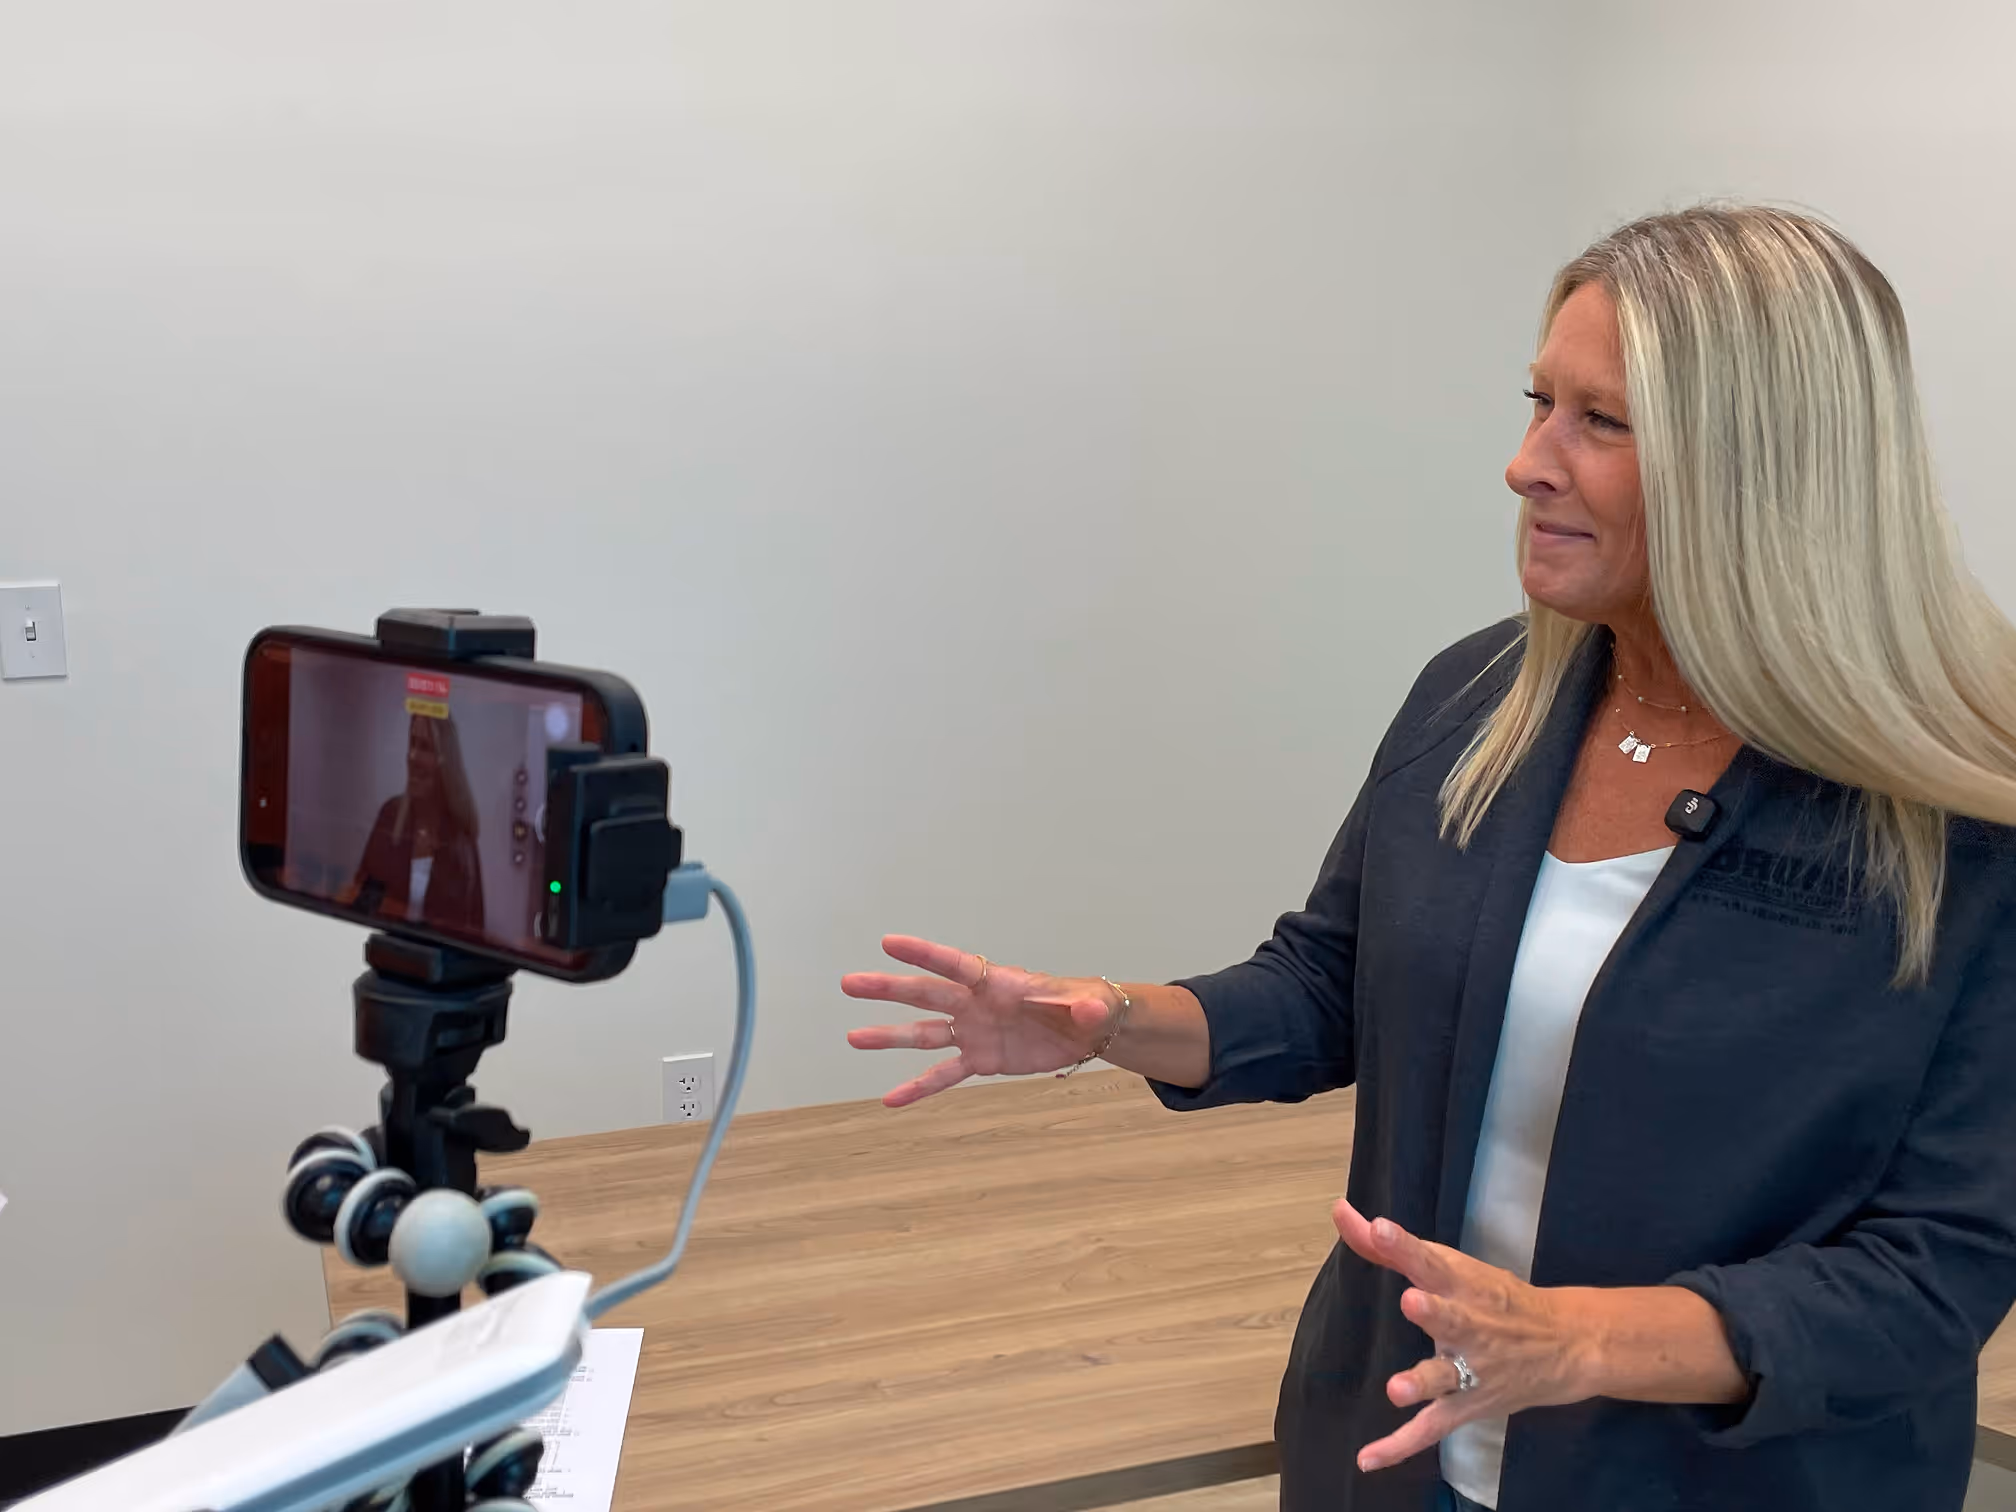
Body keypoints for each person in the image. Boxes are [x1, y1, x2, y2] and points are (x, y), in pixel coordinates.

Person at [840, 203, 2016, 1512]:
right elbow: (1329, 984)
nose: (1527, 463)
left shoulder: (1958, 817)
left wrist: (1579, 1343)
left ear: (1762, 465)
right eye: (1537, 404)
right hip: (1397, 1455)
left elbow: (1937, 1269)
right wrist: (1107, 1020)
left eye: (1600, 423)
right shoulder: (1481, 700)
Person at [340, 711, 487, 934]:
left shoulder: (462, 840)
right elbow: (362, 899)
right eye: (412, 744)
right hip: (387, 951)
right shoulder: (390, 815)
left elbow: (474, 932)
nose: (413, 756)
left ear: (446, 763)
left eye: (426, 748)